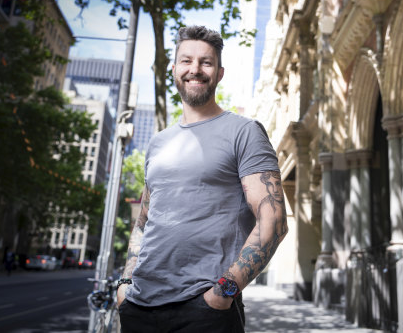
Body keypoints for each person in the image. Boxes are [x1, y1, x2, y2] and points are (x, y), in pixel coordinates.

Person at [117, 25, 288, 333]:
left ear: (219, 73)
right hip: (139, 307)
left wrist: (225, 292)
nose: (195, 69)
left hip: (203, 311)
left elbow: (273, 219)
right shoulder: (158, 143)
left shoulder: (244, 131)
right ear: (173, 69)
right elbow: (143, 222)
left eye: (205, 62)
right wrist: (125, 284)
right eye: (186, 61)